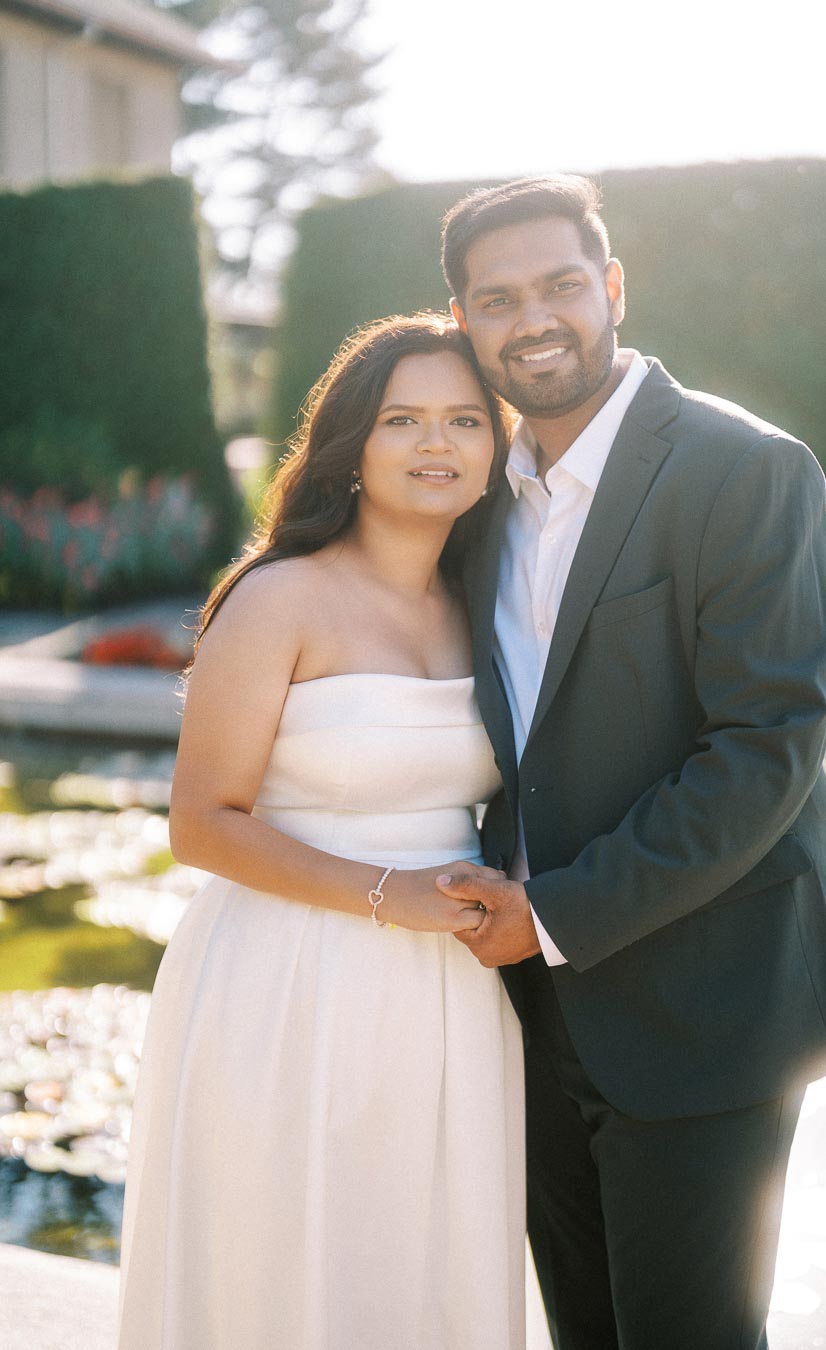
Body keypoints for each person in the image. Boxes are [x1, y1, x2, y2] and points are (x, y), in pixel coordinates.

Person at [434, 176, 826, 1350]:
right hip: (525, 1016)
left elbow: (764, 752)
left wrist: (555, 913)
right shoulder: (478, 500)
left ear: (614, 287)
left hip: (704, 1010)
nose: (534, 318)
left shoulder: (747, 470)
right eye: (498, 298)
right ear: (465, 322)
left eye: (561, 285)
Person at [117, 314, 527, 1350]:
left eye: (465, 420)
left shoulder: (491, 605)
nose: (437, 444)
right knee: (285, 1273)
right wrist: (392, 896)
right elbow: (201, 823)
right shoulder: (277, 596)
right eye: (404, 420)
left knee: (424, 1269)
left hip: (452, 989)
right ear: (353, 445)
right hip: (289, 976)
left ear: (495, 445)